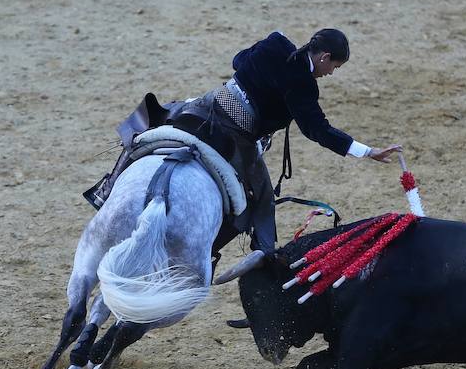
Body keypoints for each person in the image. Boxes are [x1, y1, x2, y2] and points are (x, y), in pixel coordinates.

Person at [86, 28, 401, 259]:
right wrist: (366, 151)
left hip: (208, 104)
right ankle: (261, 254)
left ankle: (106, 190)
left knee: (151, 123)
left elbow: (239, 60)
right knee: (261, 200)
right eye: (334, 66)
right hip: (239, 131)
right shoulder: (302, 86)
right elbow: (316, 129)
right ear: (323, 56)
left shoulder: (275, 42)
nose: (331, 73)